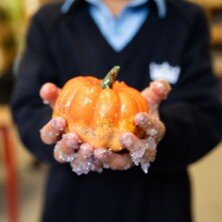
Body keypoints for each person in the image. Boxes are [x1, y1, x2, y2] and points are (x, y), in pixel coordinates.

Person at [11, 0, 222, 222]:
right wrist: (59, 134)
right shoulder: (49, 21)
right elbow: (27, 107)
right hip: (72, 204)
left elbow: (207, 114)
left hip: (159, 204)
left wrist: (160, 133)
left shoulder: (187, 19)